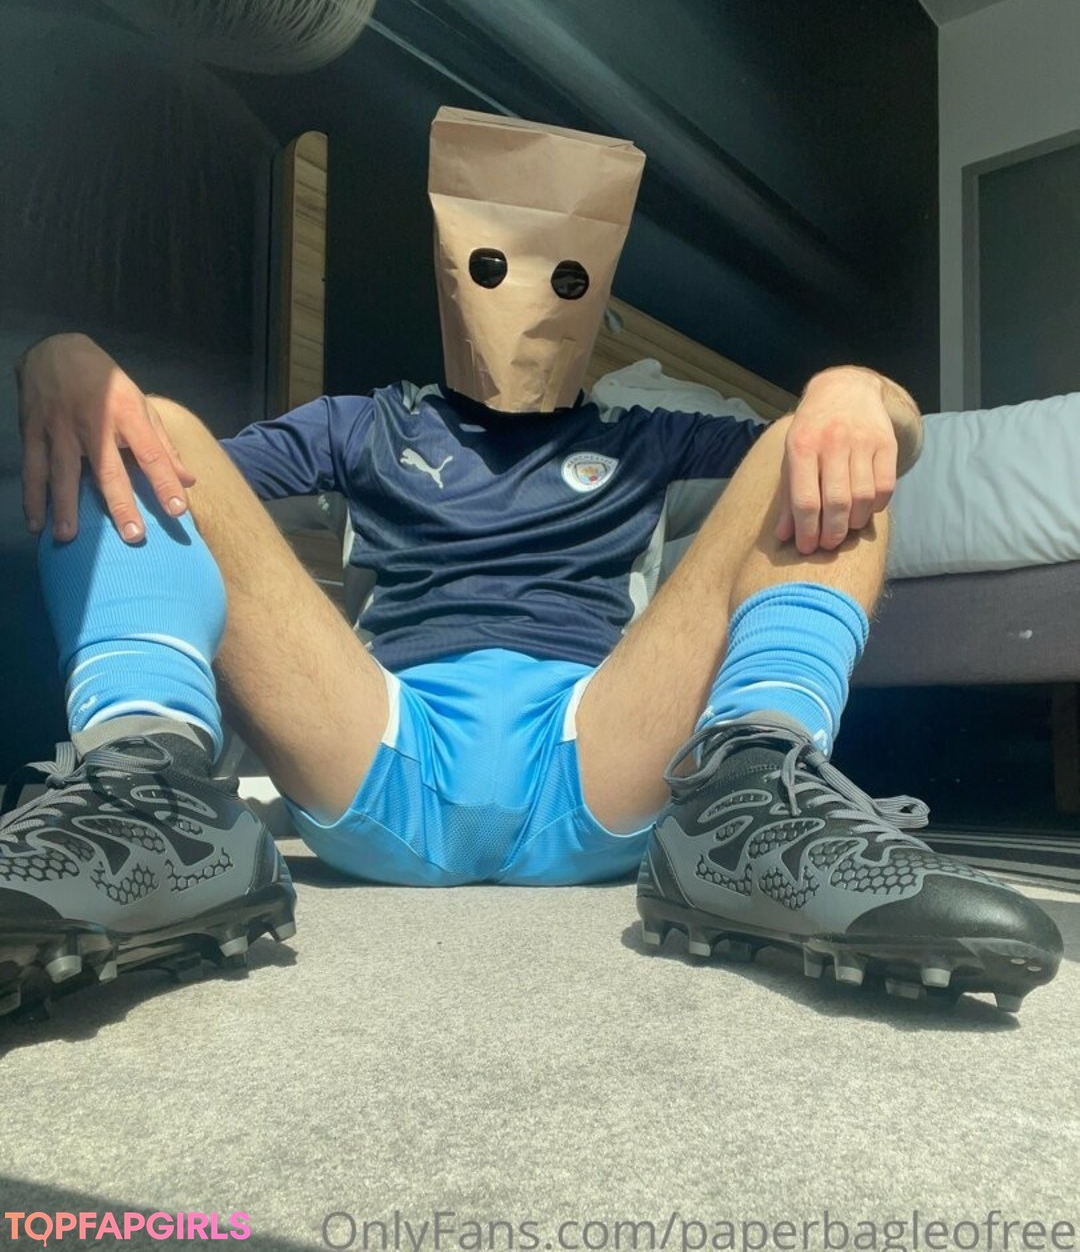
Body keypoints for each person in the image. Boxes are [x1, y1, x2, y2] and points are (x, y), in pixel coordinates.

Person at [1, 109, 1061, 1021]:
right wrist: (64, 365)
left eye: (565, 277)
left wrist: (859, 394)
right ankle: (144, 790)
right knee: (139, 429)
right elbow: (169, 485)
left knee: (814, 449)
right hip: (385, 748)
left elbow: (873, 445)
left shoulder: (645, 435)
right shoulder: (365, 423)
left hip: (595, 753)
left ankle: (753, 804)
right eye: (496, 267)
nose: (527, 296)